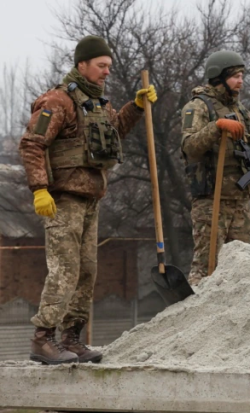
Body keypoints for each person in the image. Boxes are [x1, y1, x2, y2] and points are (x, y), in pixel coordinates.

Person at [19, 35, 155, 364]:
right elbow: (32, 144)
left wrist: (135, 108)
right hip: (63, 199)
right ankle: (43, 339)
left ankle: (71, 338)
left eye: (109, 66)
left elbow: (114, 132)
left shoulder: (97, 104)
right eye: (101, 65)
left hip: (91, 198)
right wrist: (39, 188)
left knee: (86, 272)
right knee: (64, 269)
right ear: (82, 65)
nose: (107, 71)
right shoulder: (57, 101)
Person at [181, 50, 250, 286]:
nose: (241, 81)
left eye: (242, 75)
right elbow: (189, 147)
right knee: (206, 267)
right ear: (219, 77)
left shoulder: (242, 112)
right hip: (212, 200)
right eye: (235, 76)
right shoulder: (198, 107)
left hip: (239, 201)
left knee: (242, 267)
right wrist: (217, 127)